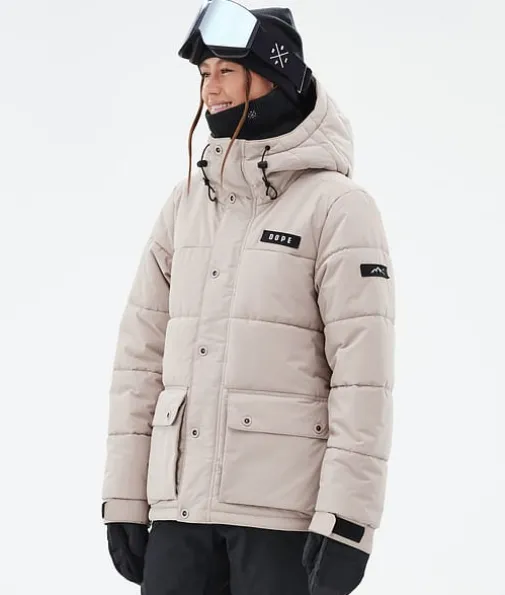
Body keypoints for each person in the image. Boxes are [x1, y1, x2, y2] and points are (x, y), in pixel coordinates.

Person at [101, 2, 395, 594]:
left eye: (226, 72)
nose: (209, 89)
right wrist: (125, 496)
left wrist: (347, 521)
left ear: (272, 78)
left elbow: (363, 378)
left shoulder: (337, 208)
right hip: (180, 514)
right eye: (204, 74)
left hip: (282, 522)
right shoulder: (186, 204)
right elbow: (140, 359)